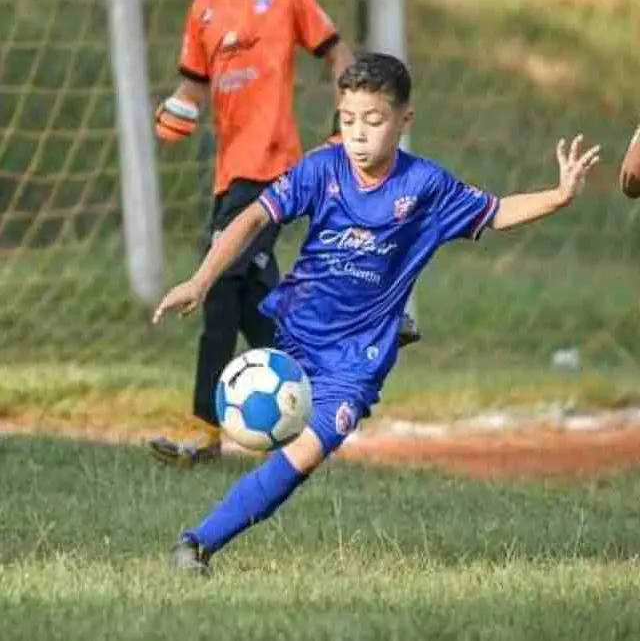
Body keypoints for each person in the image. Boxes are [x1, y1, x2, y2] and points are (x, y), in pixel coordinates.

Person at [152, 52, 600, 573]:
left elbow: (496, 211)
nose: (359, 134)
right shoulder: (322, 169)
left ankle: (197, 544)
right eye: (347, 120)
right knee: (273, 411)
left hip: (355, 362)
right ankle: (386, 322)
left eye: (373, 120)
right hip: (293, 331)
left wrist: (559, 196)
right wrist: (201, 279)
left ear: (404, 120)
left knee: (305, 454)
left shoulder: (426, 187)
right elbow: (253, 217)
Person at [149, 0, 354, 466]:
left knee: (216, 291)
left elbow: (337, 52)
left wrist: (348, 116)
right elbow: (192, 87)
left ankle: (202, 428)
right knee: (252, 299)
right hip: (228, 175)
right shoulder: (204, 9)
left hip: (272, 171)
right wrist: (175, 113)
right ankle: (315, 406)